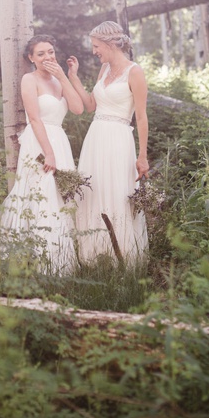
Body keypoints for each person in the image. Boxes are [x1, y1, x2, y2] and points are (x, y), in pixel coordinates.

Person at [0, 35, 85, 273]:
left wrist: (66, 76)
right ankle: (34, 260)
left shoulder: (58, 80)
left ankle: (59, 259)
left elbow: (77, 108)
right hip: (40, 143)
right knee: (40, 194)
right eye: (41, 53)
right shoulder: (29, 79)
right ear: (31, 58)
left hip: (59, 141)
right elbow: (34, 118)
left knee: (60, 197)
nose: (47, 57)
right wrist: (49, 153)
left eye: (51, 52)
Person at [67, 21, 150, 265]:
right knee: (94, 193)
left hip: (118, 139)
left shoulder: (135, 72)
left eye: (96, 46)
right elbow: (91, 105)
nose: (94, 51)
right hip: (95, 138)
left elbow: (142, 117)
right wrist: (73, 77)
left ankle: (122, 258)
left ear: (109, 44)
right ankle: (93, 255)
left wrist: (142, 156)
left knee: (116, 193)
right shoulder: (103, 69)